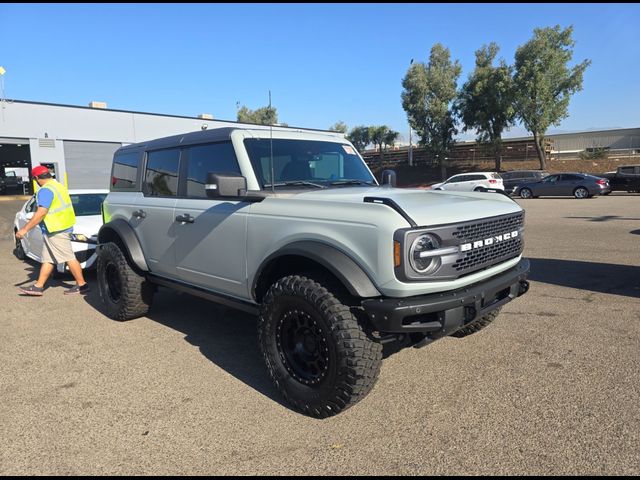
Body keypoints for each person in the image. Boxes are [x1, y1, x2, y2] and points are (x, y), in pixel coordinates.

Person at [15, 165, 89, 296]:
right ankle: (38, 286)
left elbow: (41, 212)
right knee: (47, 259)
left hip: (57, 230)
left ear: (37, 178)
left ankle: (82, 285)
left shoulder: (45, 190)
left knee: (69, 257)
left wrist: (24, 229)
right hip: (60, 227)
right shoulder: (58, 186)